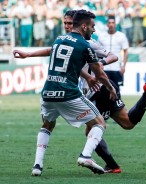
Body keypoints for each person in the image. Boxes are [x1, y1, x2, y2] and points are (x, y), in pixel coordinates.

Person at [17, 9, 117, 176]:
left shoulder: (59, 39)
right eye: (92, 26)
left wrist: (28, 54)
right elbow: (99, 73)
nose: (94, 30)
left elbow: (63, 58)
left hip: (48, 93)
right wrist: (111, 88)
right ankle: (85, 156)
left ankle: (37, 166)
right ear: (84, 26)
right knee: (99, 123)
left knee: (47, 125)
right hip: (68, 93)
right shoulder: (86, 45)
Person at [97, 16, 129, 91]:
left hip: (117, 68)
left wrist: (123, 66)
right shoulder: (101, 36)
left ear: (115, 24)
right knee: (103, 90)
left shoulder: (121, 36)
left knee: (117, 89)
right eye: (109, 23)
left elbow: (126, 51)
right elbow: (97, 51)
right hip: (104, 67)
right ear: (107, 25)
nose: (111, 24)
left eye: (113, 23)